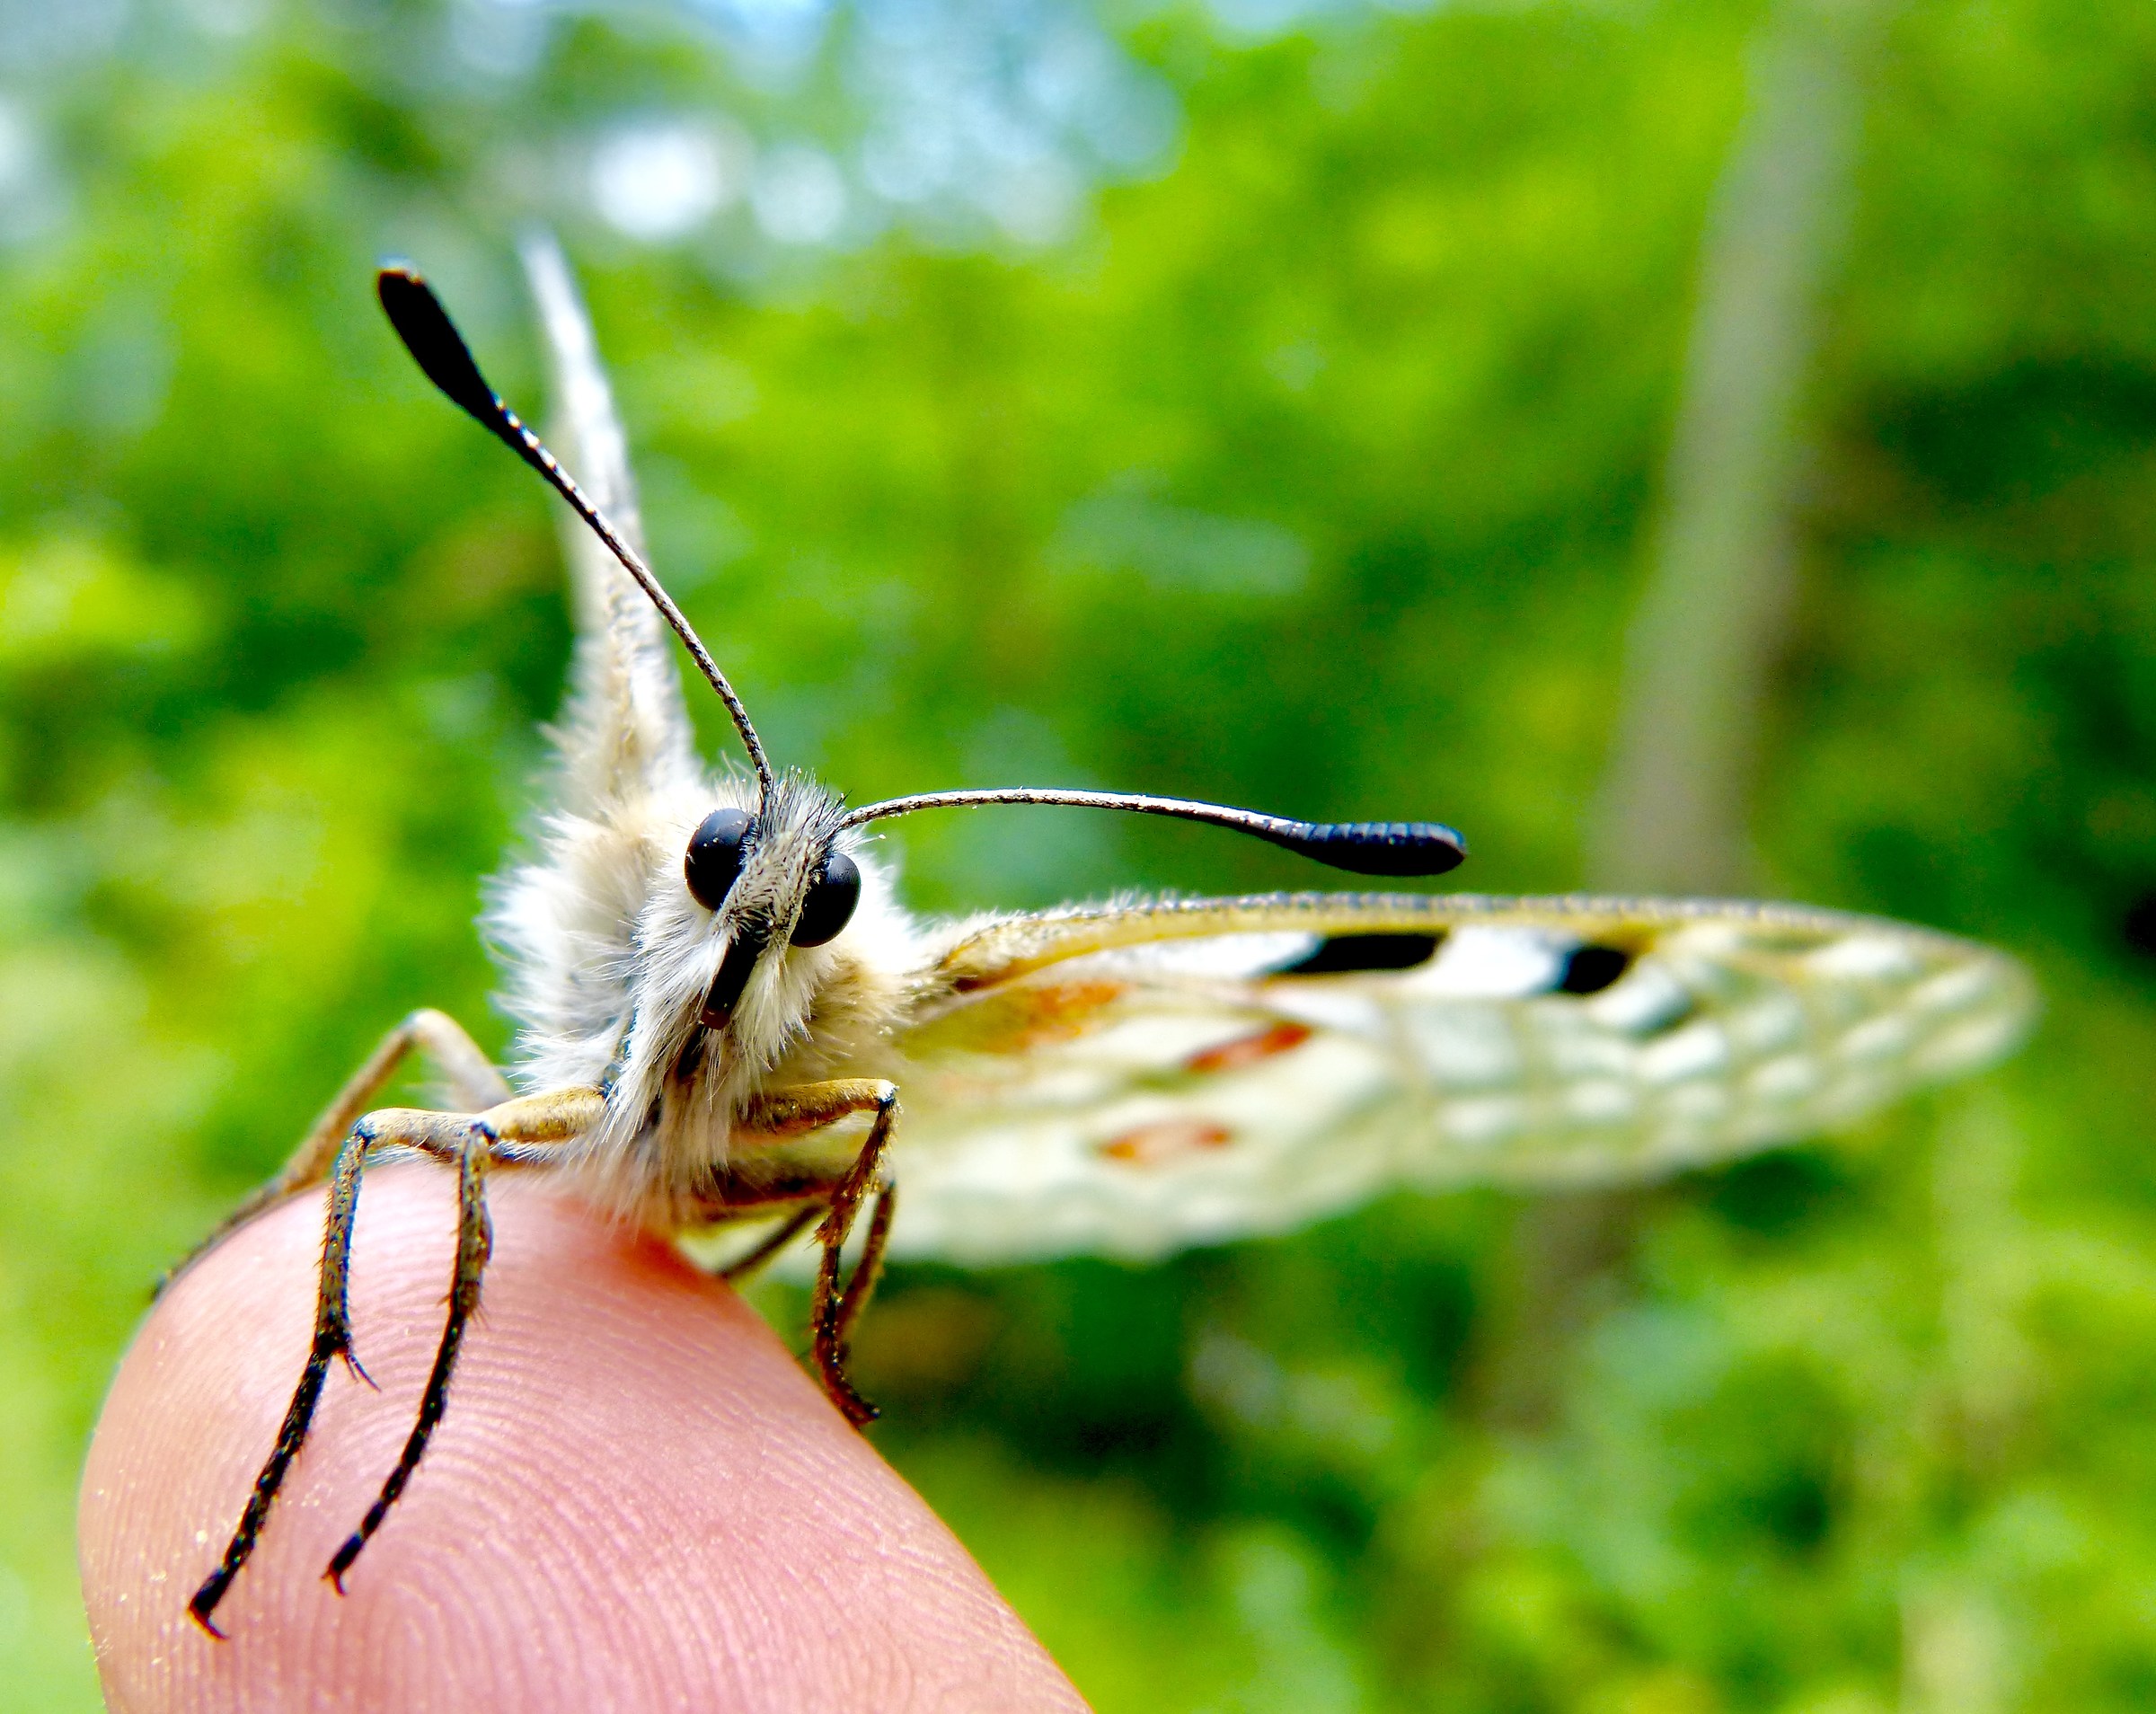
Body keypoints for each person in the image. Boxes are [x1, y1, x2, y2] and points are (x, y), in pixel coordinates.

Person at [79, 1162, 1088, 1710]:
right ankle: (379, 1404)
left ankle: (807, 1366)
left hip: (721, 1167)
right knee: (404, 1128)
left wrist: (826, 1355)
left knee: (872, 1149)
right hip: (580, 1134)